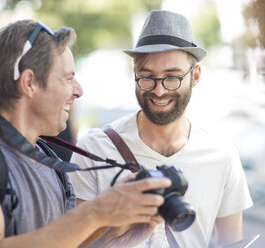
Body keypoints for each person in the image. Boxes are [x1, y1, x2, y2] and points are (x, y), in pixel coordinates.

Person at [0, 20, 172, 248]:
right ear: (30, 82)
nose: (79, 91)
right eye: (68, 78)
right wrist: (97, 212)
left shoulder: (49, 163)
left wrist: (118, 228)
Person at [69, 10, 253, 248]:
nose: (159, 90)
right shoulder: (93, 150)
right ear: (135, 75)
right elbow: (74, 243)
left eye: (172, 77)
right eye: (147, 77)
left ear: (195, 76)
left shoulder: (221, 155)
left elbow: (232, 242)